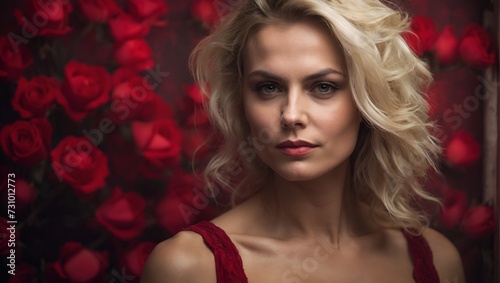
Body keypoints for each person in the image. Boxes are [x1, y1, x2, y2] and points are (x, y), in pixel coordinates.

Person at [140, 0, 466, 282]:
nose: (291, 115)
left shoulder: (437, 261)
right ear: (242, 100)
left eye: (323, 87)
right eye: (268, 87)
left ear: (369, 100)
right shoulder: (188, 268)